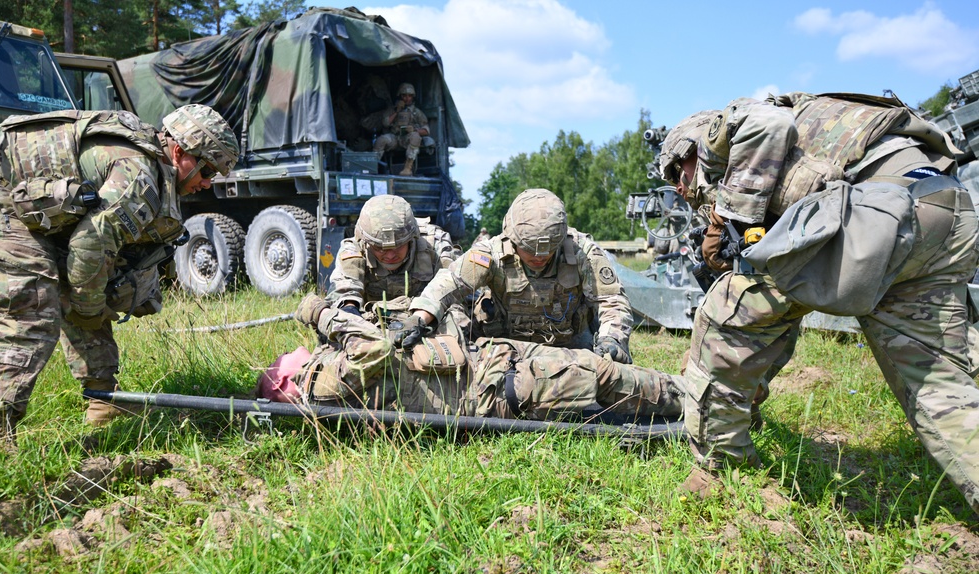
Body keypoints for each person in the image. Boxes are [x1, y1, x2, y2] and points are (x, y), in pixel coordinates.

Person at [662, 92, 979, 513]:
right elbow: (783, 311)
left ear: (687, 151)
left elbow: (767, 126)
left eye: (677, 177)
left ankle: (724, 469)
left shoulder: (715, 134)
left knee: (724, 318)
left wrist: (735, 220)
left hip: (879, 211)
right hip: (944, 205)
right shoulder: (799, 143)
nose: (682, 190)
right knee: (940, 389)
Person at [0, 104, 240, 464]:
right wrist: (87, 307)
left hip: (44, 209)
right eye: (208, 169)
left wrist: (93, 300)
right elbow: (90, 245)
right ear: (179, 151)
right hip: (3, 199)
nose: (208, 182)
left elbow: (95, 258)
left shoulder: (155, 169)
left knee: (95, 286)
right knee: (32, 310)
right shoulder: (141, 178)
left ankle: (103, 402)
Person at [257, 294, 685, 424]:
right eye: (289, 361)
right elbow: (374, 350)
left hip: (492, 357)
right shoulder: (319, 385)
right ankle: (693, 398)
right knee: (602, 377)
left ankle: (682, 386)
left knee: (588, 362)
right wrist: (325, 315)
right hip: (497, 389)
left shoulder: (321, 367)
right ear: (290, 381)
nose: (294, 354)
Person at [404, 188, 634, 363]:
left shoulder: (583, 251)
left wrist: (611, 339)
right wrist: (418, 319)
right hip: (506, 345)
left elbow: (612, 300)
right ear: (511, 237)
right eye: (529, 250)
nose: (538, 257)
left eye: (548, 250)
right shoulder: (490, 252)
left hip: (572, 345)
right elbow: (449, 284)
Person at [327, 195, 457, 314]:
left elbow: (455, 290)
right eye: (379, 248)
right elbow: (344, 290)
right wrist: (350, 309)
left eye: (398, 246)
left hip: (427, 318)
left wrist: (423, 318)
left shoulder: (434, 244)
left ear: (412, 238)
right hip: (370, 322)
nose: (389, 256)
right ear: (366, 242)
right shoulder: (355, 249)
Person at [372, 83, 430, 176]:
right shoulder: (392, 109)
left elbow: (426, 131)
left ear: (413, 97)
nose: (407, 99)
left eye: (410, 96)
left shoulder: (416, 112)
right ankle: (372, 167)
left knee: (415, 137)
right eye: (404, 95)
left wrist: (414, 130)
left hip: (407, 139)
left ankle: (407, 168)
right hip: (394, 138)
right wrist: (397, 111)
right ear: (400, 96)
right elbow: (385, 123)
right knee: (381, 140)